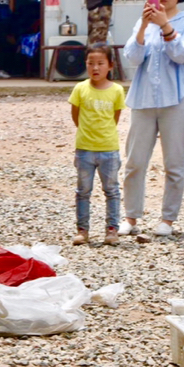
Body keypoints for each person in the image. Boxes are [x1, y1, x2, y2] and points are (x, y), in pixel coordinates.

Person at [120, 0, 184, 237]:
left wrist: (165, 25)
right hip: (142, 99)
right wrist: (144, 25)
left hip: (175, 100)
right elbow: (131, 57)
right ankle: (130, 217)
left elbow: (181, 55)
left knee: (174, 163)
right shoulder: (142, 21)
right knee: (134, 161)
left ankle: (168, 219)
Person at [69, 44, 125, 246]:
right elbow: (76, 115)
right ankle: (82, 230)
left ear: (110, 65)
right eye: (90, 63)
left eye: (100, 63)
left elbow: (115, 117)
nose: (95, 68)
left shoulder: (117, 90)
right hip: (84, 149)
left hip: (109, 150)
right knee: (83, 191)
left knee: (111, 190)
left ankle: (112, 229)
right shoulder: (80, 88)